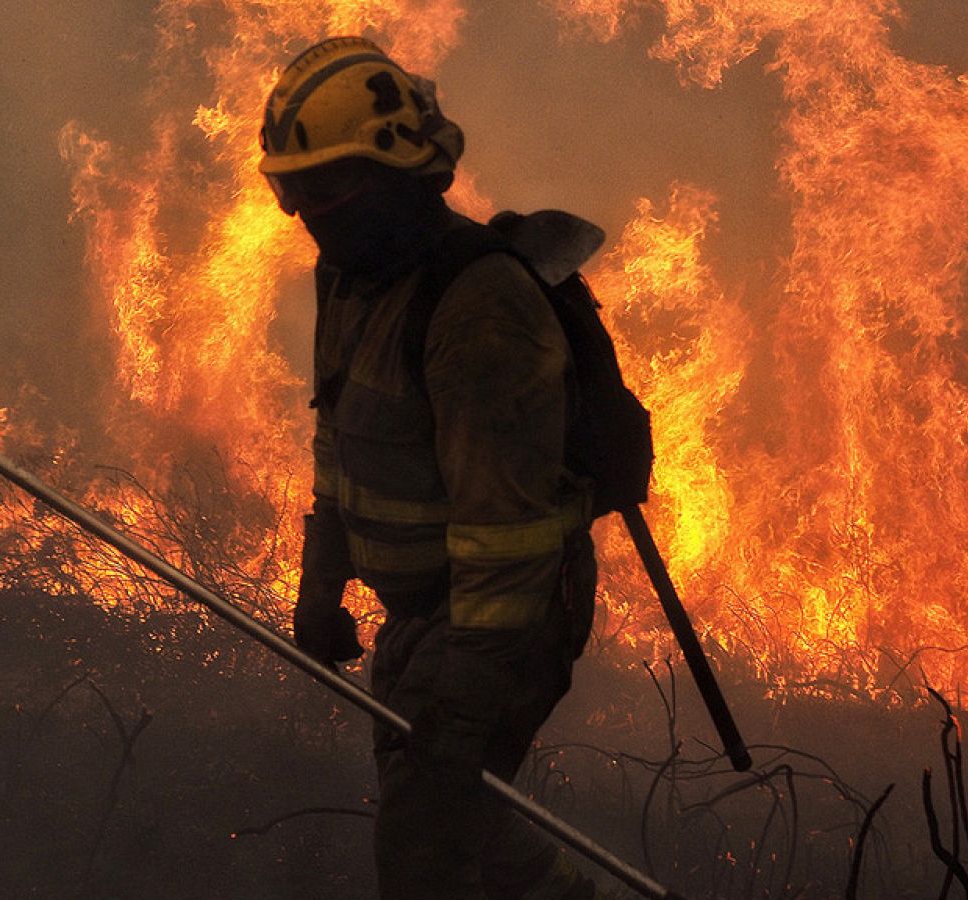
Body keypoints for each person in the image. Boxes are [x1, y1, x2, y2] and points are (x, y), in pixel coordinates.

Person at [258, 36, 606, 900]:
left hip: (503, 620)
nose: (305, 214)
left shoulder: (480, 310)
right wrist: (321, 582)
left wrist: (461, 699)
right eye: (291, 191)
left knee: (421, 847)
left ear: (394, 173)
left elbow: (508, 540)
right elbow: (339, 440)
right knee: (462, 816)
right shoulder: (350, 276)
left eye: (324, 190)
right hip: (425, 608)